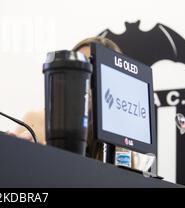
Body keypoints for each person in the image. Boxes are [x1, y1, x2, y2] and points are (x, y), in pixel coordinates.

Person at [14, 36, 150, 170]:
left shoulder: (118, 141)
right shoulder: (38, 120)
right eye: (77, 66)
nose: (81, 75)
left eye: (91, 68)